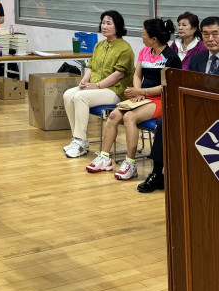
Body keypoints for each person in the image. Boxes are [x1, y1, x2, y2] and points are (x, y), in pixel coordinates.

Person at [86, 18, 181, 181]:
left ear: (154, 39)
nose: (141, 37)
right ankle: (104, 158)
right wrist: (137, 92)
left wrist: (142, 91)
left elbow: (167, 86)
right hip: (142, 96)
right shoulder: (145, 51)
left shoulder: (171, 58)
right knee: (113, 116)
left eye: (143, 34)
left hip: (162, 99)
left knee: (129, 117)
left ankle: (130, 163)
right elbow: (137, 75)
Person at [139, 17, 219, 193]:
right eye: (206, 34)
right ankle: (157, 173)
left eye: (215, 34)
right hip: (197, 110)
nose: (210, 39)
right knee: (165, 122)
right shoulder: (198, 59)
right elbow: (190, 87)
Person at [63, 10, 134, 158]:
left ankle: (80, 142)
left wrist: (98, 85)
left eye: (108, 23)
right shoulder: (99, 45)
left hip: (115, 90)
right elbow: (90, 66)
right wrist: (84, 80)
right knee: (68, 95)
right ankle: (78, 139)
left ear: (118, 26)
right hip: (96, 87)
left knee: (81, 97)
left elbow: (119, 74)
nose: (104, 26)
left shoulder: (125, 48)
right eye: (103, 23)